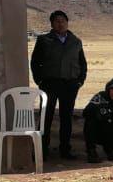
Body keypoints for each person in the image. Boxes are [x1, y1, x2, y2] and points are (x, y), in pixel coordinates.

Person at [30, 10, 87, 160]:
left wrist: (80, 81)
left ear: (67, 23)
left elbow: (82, 63)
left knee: (66, 117)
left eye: (63, 21)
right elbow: (35, 62)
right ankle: (42, 149)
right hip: (49, 83)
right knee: (46, 116)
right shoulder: (44, 40)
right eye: (57, 21)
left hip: (70, 84)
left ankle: (65, 150)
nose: (60, 23)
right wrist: (39, 80)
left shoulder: (75, 41)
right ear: (52, 24)